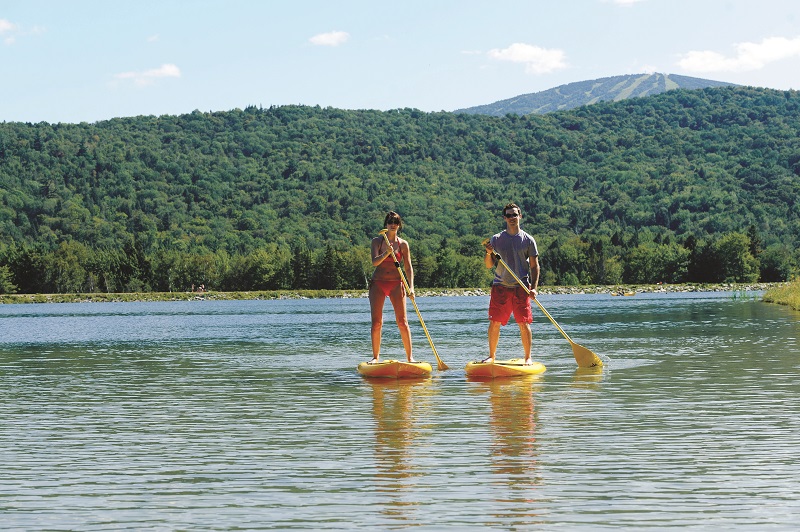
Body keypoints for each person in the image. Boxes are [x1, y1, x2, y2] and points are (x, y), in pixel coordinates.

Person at [483, 203, 540, 365]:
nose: (512, 218)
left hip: (521, 287)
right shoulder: (496, 239)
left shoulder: (528, 240)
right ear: (505, 218)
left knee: (524, 323)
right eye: (509, 216)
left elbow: (535, 266)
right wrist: (488, 253)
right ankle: (491, 356)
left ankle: (528, 357)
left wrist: (534, 288)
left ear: (520, 216)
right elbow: (488, 265)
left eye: (514, 215)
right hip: (500, 286)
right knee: (494, 322)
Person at [368, 211, 415, 364]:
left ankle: (410, 357)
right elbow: (374, 262)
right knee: (376, 323)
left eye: (395, 222)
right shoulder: (377, 241)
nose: (393, 224)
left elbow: (408, 267)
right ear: (386, 224)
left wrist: (411, 287)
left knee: (402, 322)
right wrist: (386, 253)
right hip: (378, 283)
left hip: (396, 284)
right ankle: (375, 357)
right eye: (390, 221)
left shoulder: (403, 244)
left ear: (399, 225)